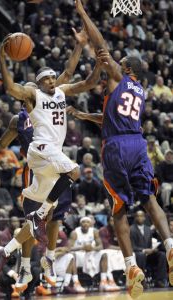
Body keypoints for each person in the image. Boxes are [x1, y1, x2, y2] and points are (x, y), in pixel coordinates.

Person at [0, 28, 95, 292]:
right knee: (35, 220)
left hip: (56, 166)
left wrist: (79, 47)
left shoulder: (52, 98)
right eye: (28, 87)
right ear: (25, 95)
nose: (31, 89)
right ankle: (26, 267)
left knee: (53, 219)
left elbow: (69, 74)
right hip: (36, 168)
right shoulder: (19, 118)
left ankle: (40, 262)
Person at [75, 0, 173, 298]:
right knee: (149, 198)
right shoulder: (140, 90)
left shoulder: (118, 75)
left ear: (126, 67)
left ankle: (131, 266)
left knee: (118, 207)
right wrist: (85, 117)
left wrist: (82, 13)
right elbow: (109, 117)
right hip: (137, 143)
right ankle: (170, 246)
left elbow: (100, 43)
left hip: (116, 147)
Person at [130, 210, 167, 288]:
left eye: (141, 216)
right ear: (135, 218)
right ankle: (141, 281)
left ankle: (159, 280)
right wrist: (144, 250)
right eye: (138, 216)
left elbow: (150, 245)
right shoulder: (131, 229)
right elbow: (132, 246)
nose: (140, 217)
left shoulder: (148, 229)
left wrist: (153, 250)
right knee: (141, 255)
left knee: (162, 255)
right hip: (137, 254)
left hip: (148, 254)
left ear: (144, 218)